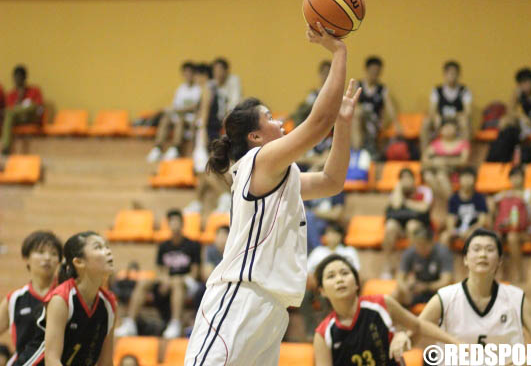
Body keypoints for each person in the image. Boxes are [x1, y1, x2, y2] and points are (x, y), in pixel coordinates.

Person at [184, 22, 360, 365]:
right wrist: (339, 53)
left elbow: (331, 182)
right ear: (255, 137)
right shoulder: (259, 162)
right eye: (269, 117)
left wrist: (344, 125)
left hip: (270, 308)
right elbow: (318, 122)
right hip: (239, 298)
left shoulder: (280, 173)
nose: (279, 121)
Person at [313, 254, 460, 366]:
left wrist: (454, 341)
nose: (339, 279)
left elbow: (419, 325)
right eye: (331, 276)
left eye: (344, 273)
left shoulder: (381, 304)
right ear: (322, 291)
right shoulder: (323, 333)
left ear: (357, 283)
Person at [419, 229, 531, 346]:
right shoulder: (445, 297)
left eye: (490, 249)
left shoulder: (517, 299)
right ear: (465, 259)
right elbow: (415, 329)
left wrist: (523, 361)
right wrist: (402, 338)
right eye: (476, 249)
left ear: (499, 261)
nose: (483, 254)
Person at [15, 231, 116, 366]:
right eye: (98, 247)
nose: (108, 251)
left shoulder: (109, 303)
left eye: (107, 247)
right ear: (79, 262)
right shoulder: (61, 299)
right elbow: (52, 361)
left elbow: (106, 363)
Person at [115, 209, 201, 339]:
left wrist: (174, 280)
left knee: (177, 282)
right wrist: (165, 280)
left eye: (177, 222)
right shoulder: (163, 246)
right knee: (144, 281)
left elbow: (194, 273)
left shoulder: (193, 245)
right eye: (171, 222)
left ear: (182, 224)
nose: (174, 225)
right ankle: (130, 323)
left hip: (187, 283)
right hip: (168, 281)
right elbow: (160, 270)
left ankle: (175, 323)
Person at [0, 231, 62, 366]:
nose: (47, 258)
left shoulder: (66, 295)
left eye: (53, 253)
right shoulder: (14, 299)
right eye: (40, 252)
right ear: (26, 257)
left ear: (59, 261)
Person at [489, 165, 531, 282]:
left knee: (512, 238)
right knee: (495, 238)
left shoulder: (529, 193)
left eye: (518, 177)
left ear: (523, 178)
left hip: (525, 231)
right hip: (505, 229)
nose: (515, 179)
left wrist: (525, 200)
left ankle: (520, 274)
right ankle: (501, 273)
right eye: (513, 177)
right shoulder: (505, 193)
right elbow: (491, 203)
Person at [382, 168, 433, 277]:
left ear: (414, 179)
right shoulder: (397, 192)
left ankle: (412, 266)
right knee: (390, 226)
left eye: (408, 177)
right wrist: (399, 188)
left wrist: (406, 202)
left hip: (420, 226)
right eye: (402, 178)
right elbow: (396, 205)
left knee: (411, 226)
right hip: (400, 227)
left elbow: (424, 208)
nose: (406, 181)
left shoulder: (424, 190)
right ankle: (388, 266)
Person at [147, 61, 202, 163]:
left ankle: (175, 148)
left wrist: (181, 110)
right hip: (179, 115)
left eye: (190, 73)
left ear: (194, 74)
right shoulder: (181, 88)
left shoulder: (198, 89)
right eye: (185, 73)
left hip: (190, 118)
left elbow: (195, 106)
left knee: (180, 121)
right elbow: (176, 105)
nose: (187, 75)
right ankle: (158, 148)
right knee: (165, 119)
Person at [394, 227, 453, 309]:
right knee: (396, 294)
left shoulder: (443, 252)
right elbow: (400, 277)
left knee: (448, 296)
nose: (420, 248)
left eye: (424, 245)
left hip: (437, 291)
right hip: (418, 290)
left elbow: (446, 281)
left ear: (432, 242)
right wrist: (406, 288)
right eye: (417, 244)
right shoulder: (410, 252)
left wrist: (426, 287)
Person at [421, 60, 473, 153]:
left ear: (459, 75)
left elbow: (467, 111)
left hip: (456, 120)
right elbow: (432, 110)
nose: (452, 76)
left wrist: (458, 116)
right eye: (450, 73)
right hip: (441, 119)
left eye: (454, 73)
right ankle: (425, 155)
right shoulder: (437, 90)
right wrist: (436, 117)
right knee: (426, 122)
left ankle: (464, 154)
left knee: (465, 122)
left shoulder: (464, 90)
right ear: (444, 74)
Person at [356, 56, 401, 158]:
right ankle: (357, 151)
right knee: (357, 114)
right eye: (372, 70)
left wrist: (397, 123)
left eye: (377, 71)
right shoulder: (357, 86)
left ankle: (369, 150)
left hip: (374, 122)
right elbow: (351, 105)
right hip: (359, 121)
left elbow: (390, 108)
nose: (375, 74)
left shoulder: (382, 89)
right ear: (366, 70)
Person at [1, 65, 44, 156]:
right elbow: (10, 111)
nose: (18, 80)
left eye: (20, 77)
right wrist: (19, 99)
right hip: (19, 119)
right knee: (9, 114)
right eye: (16, 77)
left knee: (32, 105)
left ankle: (18, 110)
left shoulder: (34, 90)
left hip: (32, 117)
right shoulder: (11, 95)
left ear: (25, 77)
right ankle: (6, 147)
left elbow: (39, 107)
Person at [422, 119, 470, 198]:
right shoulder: (435, 144)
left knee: (441, 176)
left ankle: (452, 201)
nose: (448, 130)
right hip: (436, 169)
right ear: (440, 130)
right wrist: (435, 162)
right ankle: (447, 200)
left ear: (456, 129)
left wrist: (445, 161)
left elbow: (463, 161)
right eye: (445, 127)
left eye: (450, 127)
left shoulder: (463, 143)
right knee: (428, 176)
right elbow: (424, 159)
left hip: (455, 171)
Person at [440, 167, 488, 247]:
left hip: (473, 229)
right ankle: (445, 259)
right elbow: (450, 218)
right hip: (458, 229)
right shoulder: (454, 198)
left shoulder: (479, 198)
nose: (467, 180)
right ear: (459, 180)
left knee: (470, 236)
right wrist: (452, 230)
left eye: (469, 177)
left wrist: (469, 230)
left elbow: (482, 221)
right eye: (464, 177)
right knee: (444, 236)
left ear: (475, 180)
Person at [291, 60, 331, 127]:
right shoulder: (314, 94)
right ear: (320, 75)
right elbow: (304, 110)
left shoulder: (338, 95)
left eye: (328, 73)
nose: (326, 76)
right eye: (324, 73)